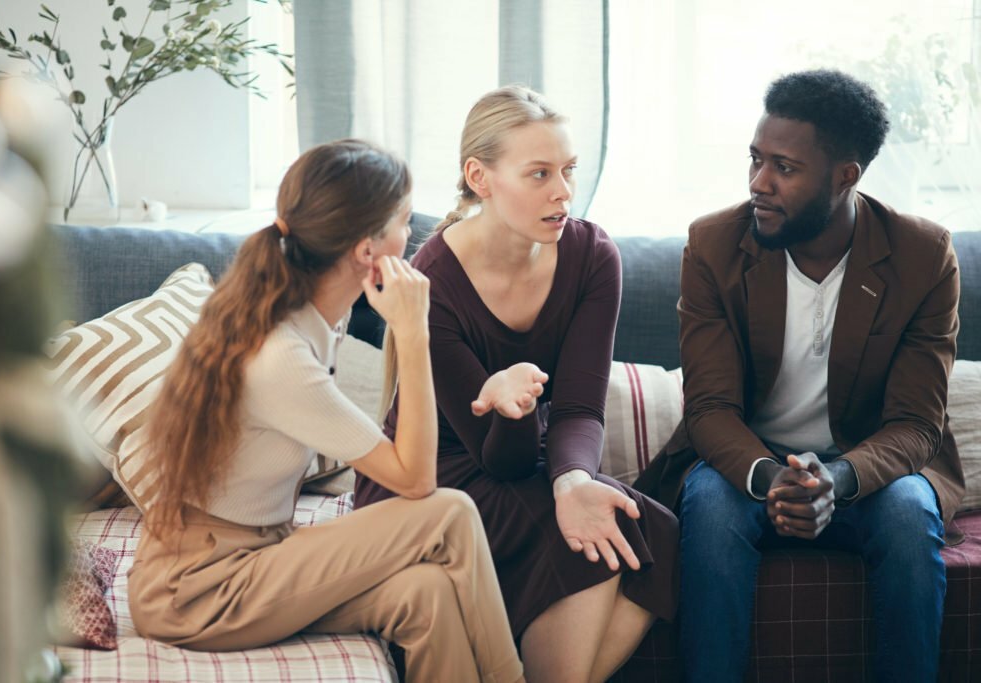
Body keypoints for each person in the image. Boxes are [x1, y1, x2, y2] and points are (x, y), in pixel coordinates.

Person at [127, 139, 524, 683]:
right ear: (367, 250)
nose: (413, 238)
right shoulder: (281, 354)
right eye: (405, 222)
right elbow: (416, 479)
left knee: (425, 594)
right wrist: (412, 332)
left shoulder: (302, 314)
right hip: (200, 588)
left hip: (253, 554)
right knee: (450, 512)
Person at [636, 69, 964, 682]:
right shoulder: (714, 245)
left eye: (783, 168)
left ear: (846, 176)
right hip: (746, 466)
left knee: (906, 512)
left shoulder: (922, 257)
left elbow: (917, 424)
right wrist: (771, 478)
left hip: (867, 470)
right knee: (708, 506)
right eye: (756, 160)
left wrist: (836, 480)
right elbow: (708, 408)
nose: (758, 183)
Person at [355, 86, 679, 683]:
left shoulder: (592, 256)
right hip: (436, 479)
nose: (563, 191)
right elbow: (493, 459)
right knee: (587, 537)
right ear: (480, 177)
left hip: (527, 459)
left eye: (568, 170)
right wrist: (507, 407)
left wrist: (573, 482)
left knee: (649, 524)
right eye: (539, 174)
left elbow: (580, 408)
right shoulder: (434, 282)